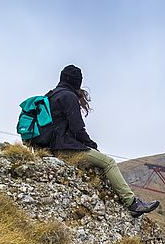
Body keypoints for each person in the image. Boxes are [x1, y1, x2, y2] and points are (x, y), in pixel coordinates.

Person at [42, 65, 158, 217]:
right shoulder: (68, 97)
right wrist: (91, 145)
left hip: (50, 146)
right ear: (77, 82)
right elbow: (77, 129)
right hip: (65, 148)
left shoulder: (50, 95)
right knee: (109, 163)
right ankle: (132, 203)